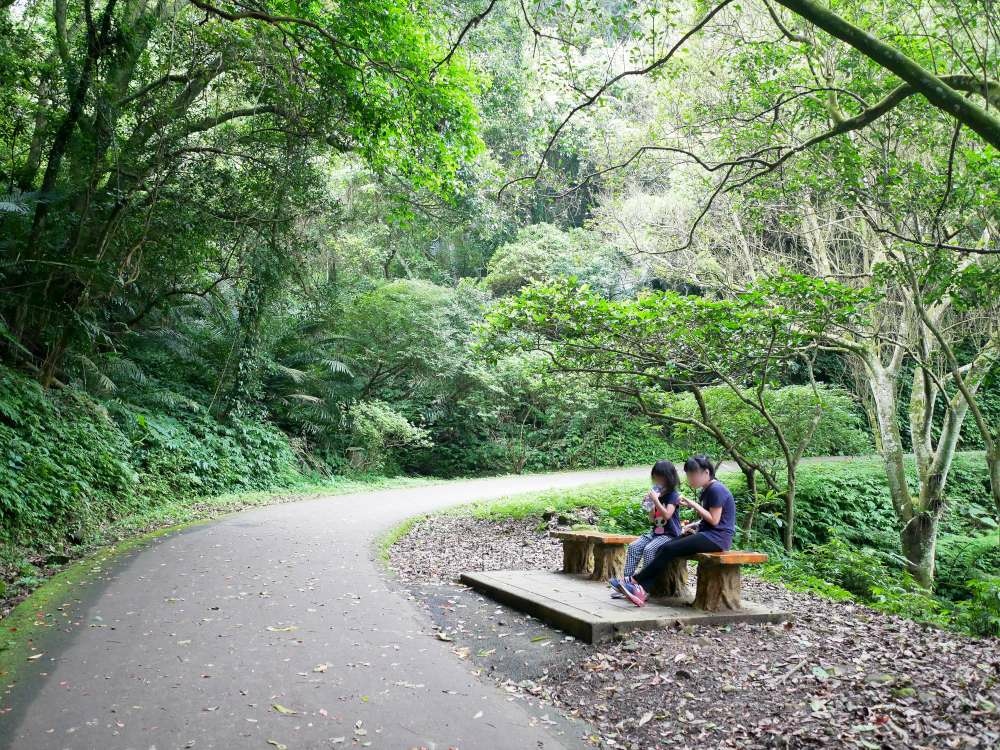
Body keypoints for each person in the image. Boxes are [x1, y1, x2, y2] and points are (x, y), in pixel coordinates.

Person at [613, 454, 736, 607]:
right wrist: (693, 526)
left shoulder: (716, 489)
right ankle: (642, 588)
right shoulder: (708, 489)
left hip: (717, 538)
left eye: (693, 474)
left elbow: (715, 520)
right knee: (665, 547)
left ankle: (636, 582)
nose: (690, 478)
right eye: (688, 475)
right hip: (707, 534)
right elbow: (713, 519)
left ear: (706, 473)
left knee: (669, 548)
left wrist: (692, 504)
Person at [610, 461, 681, 598]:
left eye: (660, 477)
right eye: (655, 477)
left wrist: (656, 501)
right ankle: (626, 585)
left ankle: (642, 588)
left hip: (670, 535)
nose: (657, 480)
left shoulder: (673, 495)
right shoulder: (657, 493)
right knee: (634, 547)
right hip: (655, 533)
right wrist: (650, 505)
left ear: (669, 477)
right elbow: (652, 520)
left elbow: (667, 514)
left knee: (649, 550)